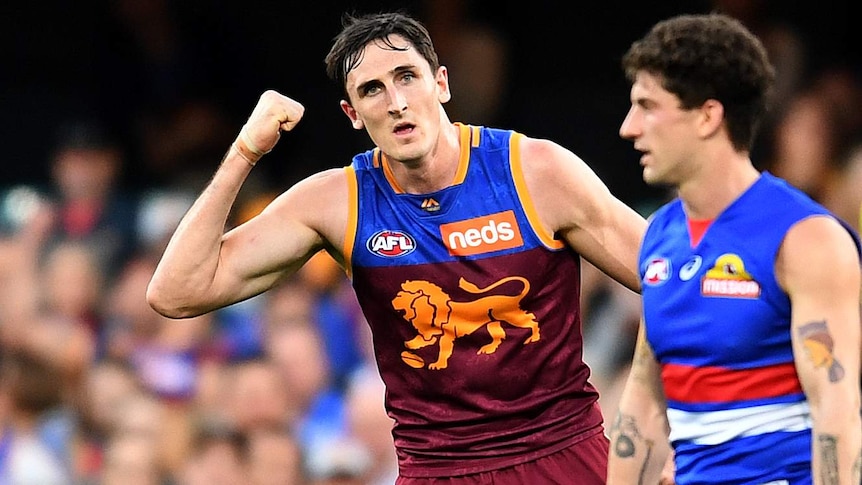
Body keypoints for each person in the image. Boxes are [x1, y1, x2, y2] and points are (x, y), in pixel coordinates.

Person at [147, 11, 647, 483]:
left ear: (442, 84)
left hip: (563, 455)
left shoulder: (535, 173)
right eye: (372, 90)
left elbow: (671, 277)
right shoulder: (339, 202)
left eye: (407, 76)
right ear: (353, 114)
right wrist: (244, 151)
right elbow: (177, 292)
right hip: (437, 468)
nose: (395, 101)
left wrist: (658, 407)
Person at [607, 13, 862, 485]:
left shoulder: (807, 238)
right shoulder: (659, 234)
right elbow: (643, 402)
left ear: (707, 115)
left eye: (647, 106)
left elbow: (838, 413)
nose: (629, 128)